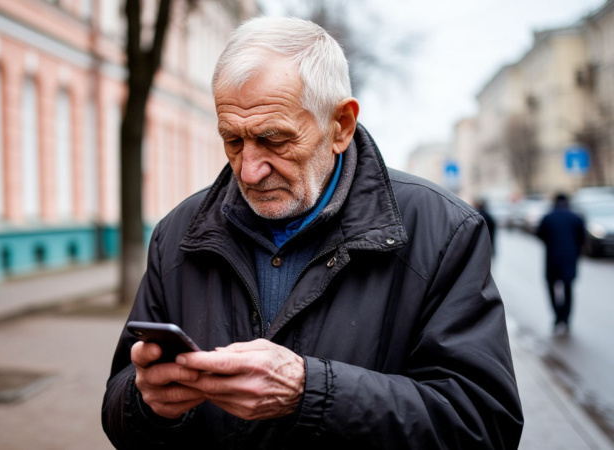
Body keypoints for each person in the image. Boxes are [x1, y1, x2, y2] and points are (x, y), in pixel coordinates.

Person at [102, 17, 523, 449]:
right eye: (233, 140)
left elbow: (484, 426)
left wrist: (309, 391)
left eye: (275, 140)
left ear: (340, 125)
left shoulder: (443, 231)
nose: (249, 170)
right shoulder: (177, 233)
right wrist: (148, 403)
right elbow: (118, 408)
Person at [536, 193, 585, 336]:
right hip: (570, 259)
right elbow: (582, 238)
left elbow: (540, 235)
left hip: (552, 259)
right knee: (568, 289)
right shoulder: (575, 218)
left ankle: (557, 316)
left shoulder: (548, 217)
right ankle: (566, 318)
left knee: (552, 288)